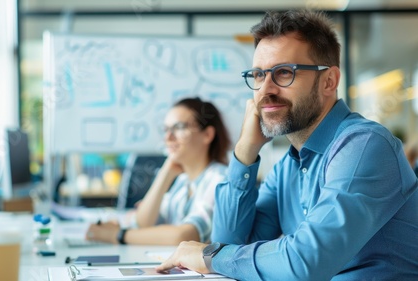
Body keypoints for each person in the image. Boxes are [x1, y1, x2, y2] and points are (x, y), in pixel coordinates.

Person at [157, 10, 418, 280]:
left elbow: (306, 261)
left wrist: (210, 255)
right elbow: (229, 244)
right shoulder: (287, 167)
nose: (266, 89)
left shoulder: (364, 146)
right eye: (258, 75)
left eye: (284, 73)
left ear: (329, 81)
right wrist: (245, 152)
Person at [86, 97, 231, 245]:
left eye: (179, 127)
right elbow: (142, 224)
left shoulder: (220, 179)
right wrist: (165, 174)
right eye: (166, 129)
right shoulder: (183, 181)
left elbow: (184, 236)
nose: (168, 137)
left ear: (207, 135)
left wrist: (118, 235)